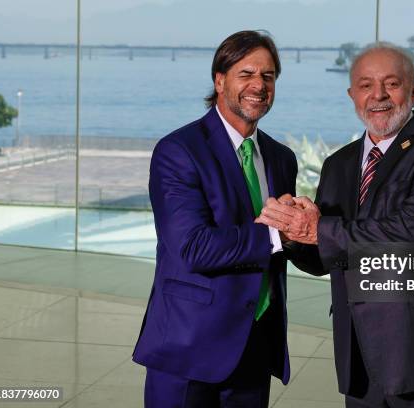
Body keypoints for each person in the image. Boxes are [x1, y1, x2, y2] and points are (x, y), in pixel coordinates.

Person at [258, 43, 414, 408]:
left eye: (392, 83)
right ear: (352, 95)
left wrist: (316, 229)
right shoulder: (338, 164)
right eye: (366, 85)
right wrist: (291, 232)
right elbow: (326, 256)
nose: (378, 96)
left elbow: (412, 234)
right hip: (360, 361)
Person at [133, 30, 297, 408]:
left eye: (268, 76)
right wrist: (279, 234)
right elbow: (193, 248)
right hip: (188, 347)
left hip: (255, 345)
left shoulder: (281, 158)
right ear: (219, 80)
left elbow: (285, 246)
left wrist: (310, 230)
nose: (259, 85)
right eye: (247, 74)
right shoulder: (178, 151)